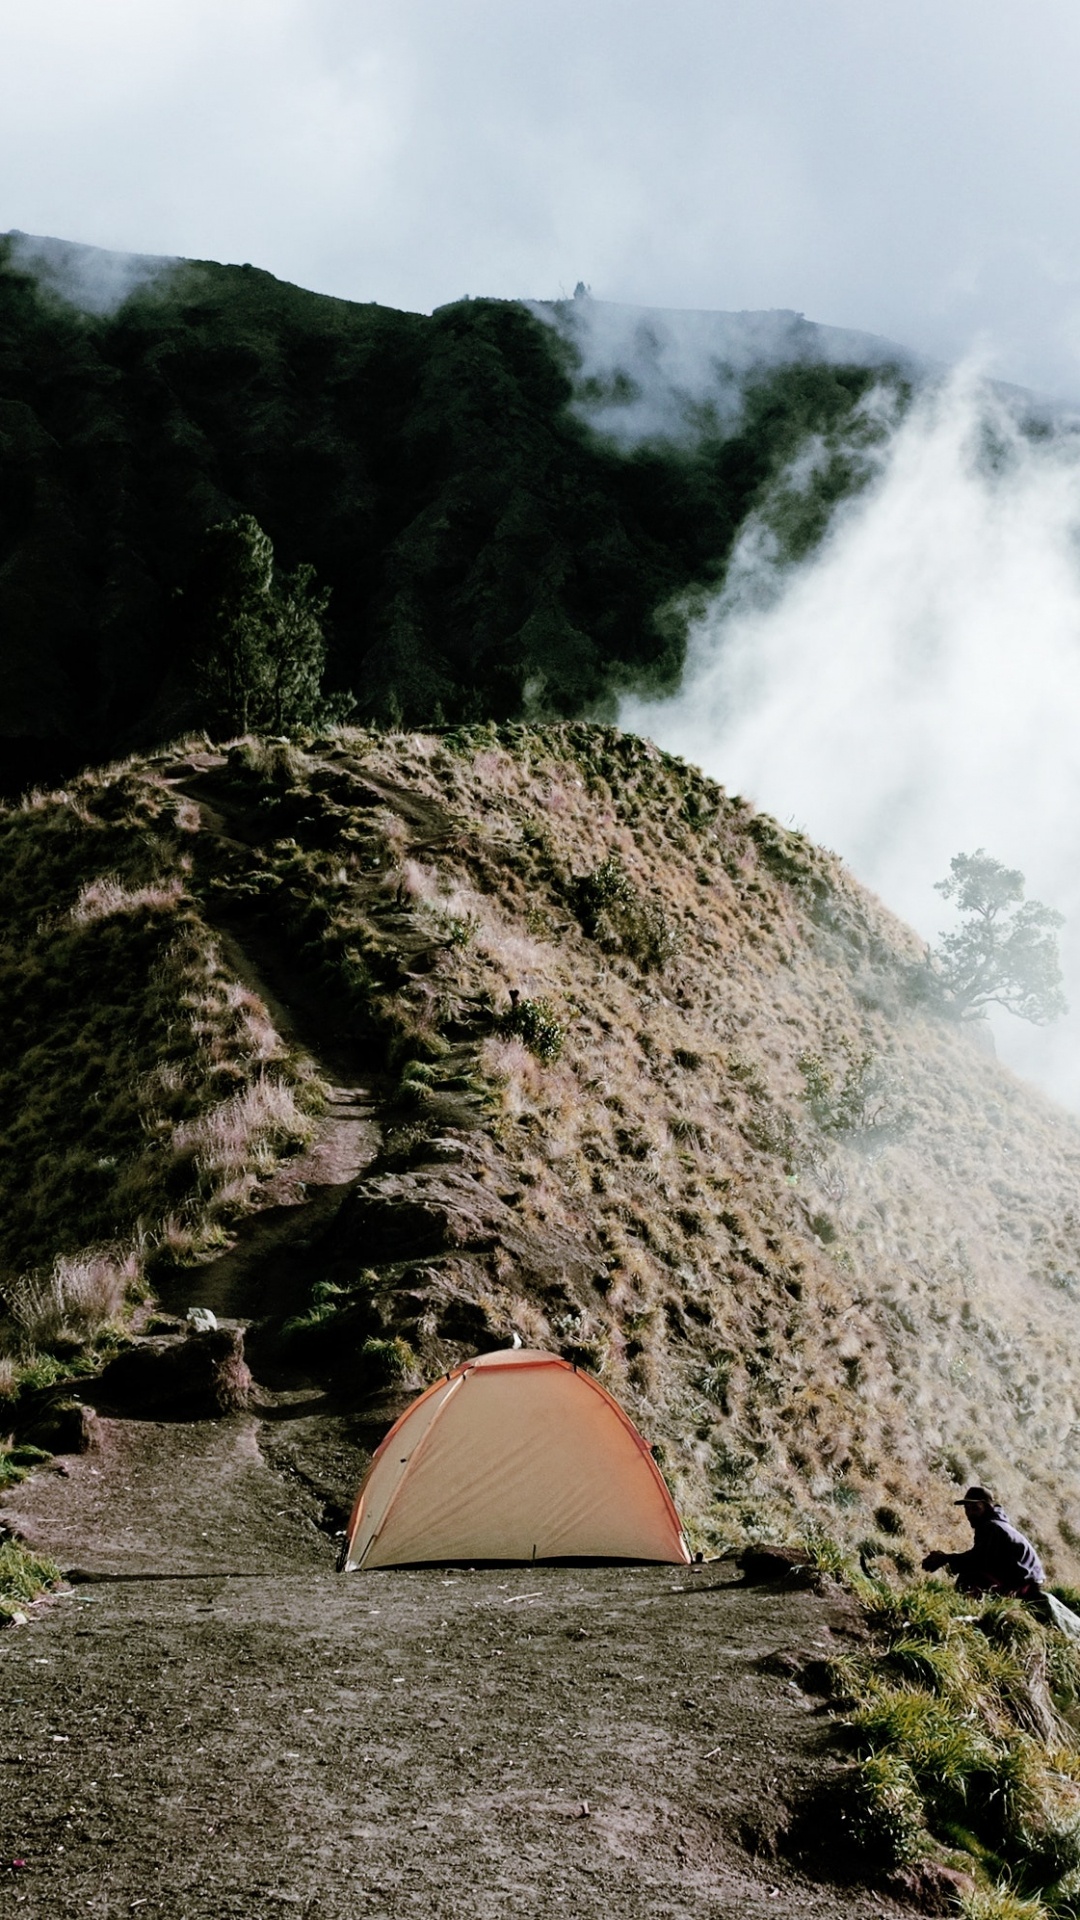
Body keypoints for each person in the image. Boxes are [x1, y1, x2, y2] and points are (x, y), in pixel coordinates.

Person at [922, 1486, 1045, 1598]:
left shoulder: (991, 1527)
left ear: (987, 1507)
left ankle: (962, 1608)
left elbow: (977, 1560)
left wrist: (945, 1558)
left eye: (975, 1508)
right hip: (1027, 1581)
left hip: (1025, 1586)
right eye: (967, 1508)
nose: (969, 1513)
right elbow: (981, 1557)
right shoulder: (996, 1524)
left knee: (969, 1576)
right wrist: (947, 1559)